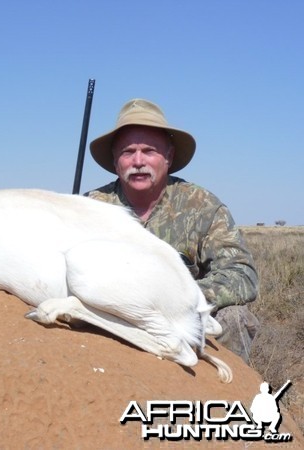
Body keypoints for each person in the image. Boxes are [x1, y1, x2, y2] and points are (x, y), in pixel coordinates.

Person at [85, 98, 259, 363]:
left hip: (181, 320)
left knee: (235, 318)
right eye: (128, 152)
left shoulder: (201, 206)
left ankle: (225, 397)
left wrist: (180, 297)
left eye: (149, 151)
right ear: (115, 160)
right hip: (112, 317)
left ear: (168, 157)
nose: (138, 161)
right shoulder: (90, 207)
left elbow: (243, 274)